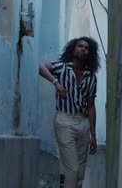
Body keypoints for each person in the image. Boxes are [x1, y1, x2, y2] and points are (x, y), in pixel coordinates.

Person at [39, 36, 100, 188]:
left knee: (79, 172)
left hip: (83, 123)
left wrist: (93, 135)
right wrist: (56, 83)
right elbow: (41, 66)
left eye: (86, 48)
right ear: (73, 49)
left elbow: (91, 106)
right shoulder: (62, 67)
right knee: (72, 169)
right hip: (65, 120)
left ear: (89, 53)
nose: (83, 49)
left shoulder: (91, 77)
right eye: (80, 46)